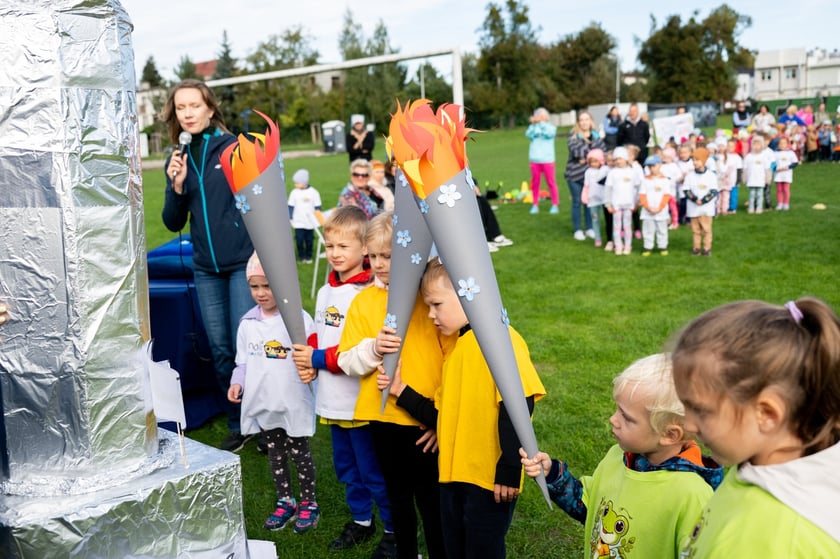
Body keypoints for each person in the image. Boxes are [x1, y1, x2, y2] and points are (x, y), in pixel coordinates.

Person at [379, 257, 545, 559]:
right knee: (454, 547)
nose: (430, 314)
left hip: (487, 480)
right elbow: (441, 414)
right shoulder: (456, 348)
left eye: (436, 304)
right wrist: (400, 391)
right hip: (453, 475)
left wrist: (509, 468)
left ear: (467, 294)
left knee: (483, 551)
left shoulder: (500, 339)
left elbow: (518, 402)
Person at [671, 298, 840, 558]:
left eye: (701, 410)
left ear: (767, 414)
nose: (688, 424)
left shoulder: (766, 538)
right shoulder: (764, 462)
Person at [520, 353, 722, 559]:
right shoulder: (618, 456)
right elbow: (590, 507)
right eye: (617, 409)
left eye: (627, 417)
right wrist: (553, 474)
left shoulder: (693, 496)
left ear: (669, 435)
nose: (613, 419)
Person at [338, 212, 455, 559]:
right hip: (383, 418)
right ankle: (405, 552)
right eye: (373, 256)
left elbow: (454, 361)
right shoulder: (363, 302)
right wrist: (373, 349)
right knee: (397, 497)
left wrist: (438, 420)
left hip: (424, 424)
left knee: (432, 502)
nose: (379, 264)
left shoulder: (430, 300)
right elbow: (346, 360)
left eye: (388, 256)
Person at [293, 208, 395, 557]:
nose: (335, 254)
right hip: (332, 401)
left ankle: (395, 530)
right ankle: (362, 522)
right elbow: (319, 335)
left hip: (361, 402)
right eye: (330, 245)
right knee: (347, 468)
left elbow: (355, 351)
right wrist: (310, 355)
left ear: (364, 248)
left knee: (373, 471)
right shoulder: (324, 292)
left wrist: (317, 359)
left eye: (343, 246)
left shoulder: (369, 293)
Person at [161, 79, 254, 452]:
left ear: (210, 109)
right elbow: (171, 221)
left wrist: (260, 254)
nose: (187, 113)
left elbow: (256, 205)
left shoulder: (233, 149)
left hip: (240, 264)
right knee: (219, 349)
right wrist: (177, 187)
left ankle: (263, 421)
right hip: (205, 268)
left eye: (194, 106)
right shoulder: (178, 157)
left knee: (245, 344)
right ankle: (239, 422)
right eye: (181, 108)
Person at [228, 252, 318, 533]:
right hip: (265, 402)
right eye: (254, 287)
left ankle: (309, 504)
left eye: (267, 286)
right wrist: (237, 382)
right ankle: (285, 501)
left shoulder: (298, 320)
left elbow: (311, 354)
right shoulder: (247, 325)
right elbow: (242, 361)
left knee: (300, 453)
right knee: (276, 453)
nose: (261, 293)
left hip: (292, 400)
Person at [564, 111, 604, 240]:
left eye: (586, 119)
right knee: (577, 201)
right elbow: (577, 151)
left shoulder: (596, 136)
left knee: (589, 202)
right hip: (574, 175)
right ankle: (577, 229)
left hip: (591, 176)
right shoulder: (573, 136)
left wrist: (586, 156)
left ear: (591, 120)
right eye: (581, 120)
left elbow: (600, 151)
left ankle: (589, 228)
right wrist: (591, 155)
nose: (584, 122)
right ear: (578, 122)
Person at [683, 147, 718, 256]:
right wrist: (694, 199)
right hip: (693, 208)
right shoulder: (690, 176)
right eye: (693, 160)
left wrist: (703, 201)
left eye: (697, 160)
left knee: (707, 230)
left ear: (704, 161)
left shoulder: (711, 176)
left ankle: (707, 248)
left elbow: (713, 191)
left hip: (706, 208)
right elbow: (686, 189)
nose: (694, 162)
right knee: (695, 230)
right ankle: (696, 247)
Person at [525, 107, 559, 215]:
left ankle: (555, 204)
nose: (539, 117)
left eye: (541, 115)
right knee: (535, 183)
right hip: (534, 159)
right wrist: (534, 124)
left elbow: (549, 134)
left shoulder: (551, 127)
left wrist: (541, 123)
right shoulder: (533, 127)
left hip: (548, 159)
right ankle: (535, 204)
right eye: (538, 115)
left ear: (546, 116)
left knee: (551, 182)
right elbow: (528, 134)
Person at [604, 146, 637, 255]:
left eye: (620, 158)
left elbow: (636, 188)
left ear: (626, 159)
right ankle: (618, 245)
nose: (618, 161)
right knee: (617, 227)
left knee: (627, 226)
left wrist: (636, 202)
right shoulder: (612, 173)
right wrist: (608, 204)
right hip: (616, 205)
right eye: (616, 159)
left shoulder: (632, 172)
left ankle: (628, 245)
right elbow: (608, 189)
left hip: (628, 204)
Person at [638, 154, 671, 256]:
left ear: (660, 165)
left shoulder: (665, 180)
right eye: (649, 166)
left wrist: (659, 208)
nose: (652, 169)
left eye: (654, 166)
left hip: (661, 211)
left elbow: (666, 195)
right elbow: (642, 195)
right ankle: (648, 247)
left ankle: (662, 246)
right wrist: (648, 207)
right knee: (648, 230)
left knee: (662, 229)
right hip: (648, 211)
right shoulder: (645, 180)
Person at [288, 168, 322, 264]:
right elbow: (290, 206)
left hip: (310, 223)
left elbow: (318, 207)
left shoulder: (314, 192)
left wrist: (318, 219)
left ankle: (308, 256)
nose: (295, 185)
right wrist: (290, 218)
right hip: (298, 222)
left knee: (309, 240)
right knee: (299, 240)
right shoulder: (294, 193)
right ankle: (301, 257)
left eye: (297, 182)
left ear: (304, 182)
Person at [582, 148, 608, 248]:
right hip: (593, 200)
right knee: (595, 219)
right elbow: (586, 185)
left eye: (595, 161)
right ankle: (597, 238)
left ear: (601, 161)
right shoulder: (588, 172)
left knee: (607, 219)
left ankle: (610, 237)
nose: (593, 164)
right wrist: (585, 196)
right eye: (591, 162)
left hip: (604, 198)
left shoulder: (605, 170)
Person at [743, 135, 772, 214]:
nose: (756, 147)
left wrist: (768, 179)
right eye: (754, 144)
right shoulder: (748, 157)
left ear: (762, 145)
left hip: (760, 179)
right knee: (752, 195)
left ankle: (759, 208)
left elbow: (767, 169)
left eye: (758, 145)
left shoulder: (764, 156)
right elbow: (745, 169)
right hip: (751, 179)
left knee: (760, 195)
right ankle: (751, 208)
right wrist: (744, 178)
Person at [773, 136, 798, 210]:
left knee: (786, 189)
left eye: (784, 143)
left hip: (787, 175)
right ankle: (780, 203)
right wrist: (777, 168)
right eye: (780, 143)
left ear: (787, 144)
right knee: (779, 190)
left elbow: (795, 163)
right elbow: (772, 163)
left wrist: (786, 167)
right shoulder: (775, 153)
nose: (782, 145)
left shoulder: (791, 153)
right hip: (778, 175)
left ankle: (786, 203)